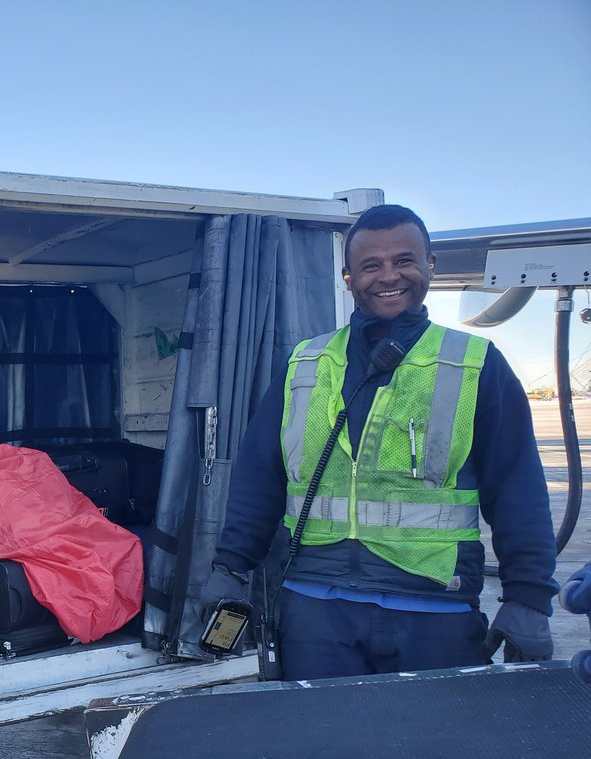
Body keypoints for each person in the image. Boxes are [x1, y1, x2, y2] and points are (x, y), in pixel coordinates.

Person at [202, 204, 557, 680]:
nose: (389, 276)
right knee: (324, 747)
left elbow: (517, 489)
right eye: (371, 265)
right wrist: (231, 565)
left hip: (435, 606)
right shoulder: (304, 364)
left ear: (430, 265)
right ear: (349, 277)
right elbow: (259, 477)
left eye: (404, 260)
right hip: (316, 607)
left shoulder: (476, 364)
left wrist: (529, 598)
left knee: (434, 752)